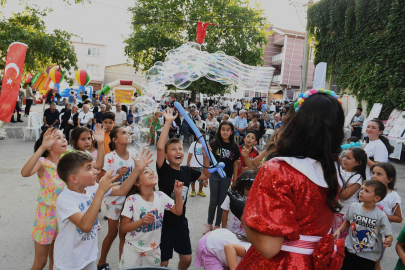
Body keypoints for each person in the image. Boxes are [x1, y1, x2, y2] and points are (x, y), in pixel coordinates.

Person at [235, 90, 346, 269]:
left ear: (296, 123)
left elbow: (269, 247)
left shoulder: (279, 170)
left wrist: (243, 212)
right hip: (315, 263)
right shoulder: (333, 168)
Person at [53, 149, 153, 270]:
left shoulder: (92, 188)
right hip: (68, 262)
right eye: (89, 168)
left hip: (88, 257)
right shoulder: (65, 199)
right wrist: (100, 191)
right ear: (74, 179)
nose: (96, 171)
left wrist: (137, 170)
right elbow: (85, 226)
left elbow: (122, 190)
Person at [156, 108, 210, 269]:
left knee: (186, 260)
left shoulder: (187, 171)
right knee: (163, 263)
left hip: (180, 222)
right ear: (166, 156)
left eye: (180, 149)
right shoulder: (163, 170)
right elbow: (159, 148)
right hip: (164, 222)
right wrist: (168, 122)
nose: (178, 151)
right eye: (173, 150)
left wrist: (206, 158)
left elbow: (205, 175)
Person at [21, 128, 67, 269]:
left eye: (64, 136)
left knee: (57, 259)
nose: (64, 139)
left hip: (64, 215)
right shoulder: (43, 163)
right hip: (46, 215)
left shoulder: (67, 163)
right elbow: (25, 172)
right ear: (49, 145)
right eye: (58, 137)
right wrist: (41, 148)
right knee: (41, 261)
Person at [119, 167, 184, 267]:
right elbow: (124, 228)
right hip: (132, 251)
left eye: (152, 171)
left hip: (153, 252)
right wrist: (141, 222)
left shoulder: (161, 196)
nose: (151, 173)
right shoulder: (131, 200)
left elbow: (178, 211)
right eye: (146, 172)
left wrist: (178, 194)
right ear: (137, 182)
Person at [97, 127, 136, 269]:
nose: (128, 134)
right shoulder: (110, 157)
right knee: (112, 232)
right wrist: (118, 175)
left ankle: (122, 265)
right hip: (114, 200)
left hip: (130, 200)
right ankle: (101, 261)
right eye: (123, 133)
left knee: (124, 234)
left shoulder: (134, 154)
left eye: (128, 132)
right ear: (115, 140)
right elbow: (102, 181)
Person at [333, 180, 392, 270]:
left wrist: (388, 240)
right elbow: (348, 221)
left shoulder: (381, 216)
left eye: (366, 191)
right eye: (362, 189)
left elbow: (389, 235)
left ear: (376, 198)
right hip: (350, 250)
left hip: (368, 256)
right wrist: (339, 230)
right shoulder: (354, 207)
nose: (361, 191)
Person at [204, 121, 240, 235]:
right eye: (223, 129)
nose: (225, 132)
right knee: (213, 201)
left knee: (221, 202)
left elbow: (235, 164)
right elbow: (208, 161)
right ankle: (209, 224)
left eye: (227, 130)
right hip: (214, 175)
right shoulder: (214, 143)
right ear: (219, 130)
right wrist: (205, 177)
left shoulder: (234, 146)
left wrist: (235, 180)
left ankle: (217, 225)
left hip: (227, 177)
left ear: (231, 132)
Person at [371, 162, 403, 270]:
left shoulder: (393, 197)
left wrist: (380, 215)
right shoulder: (368, 190)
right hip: (363, 232)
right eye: (373, 173)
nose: (374, 176)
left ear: (389, 179)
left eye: (379, 174)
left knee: (375, 262)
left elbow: (399, 218)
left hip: (380, 236)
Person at [332, 148, 367, 239]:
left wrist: (335, 179)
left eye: (348, 158)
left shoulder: (357, 177)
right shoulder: (341, 172)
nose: (344, 159)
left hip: (344, 214)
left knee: (339, 240)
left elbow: (344, 196)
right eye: (344, 157)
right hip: (335, 210)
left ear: (358, 163)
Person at [222, 170, 256, 235]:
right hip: (231, 232)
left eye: (253, 188)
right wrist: (223, 231)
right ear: (242, 185)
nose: (251, 192)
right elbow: (225, 212)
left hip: (247, 235)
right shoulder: (232, 196)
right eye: (248, 188)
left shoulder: (255, 198)